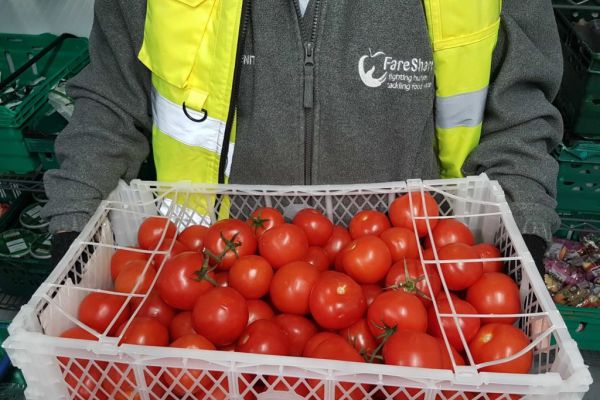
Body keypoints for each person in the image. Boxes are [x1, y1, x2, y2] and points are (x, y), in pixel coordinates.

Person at [43, 0, 563, 272]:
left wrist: (521, 247)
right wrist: (74, 230)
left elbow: (515, 113)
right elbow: (112, 100)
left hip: (415, 283)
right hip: (211, 280)